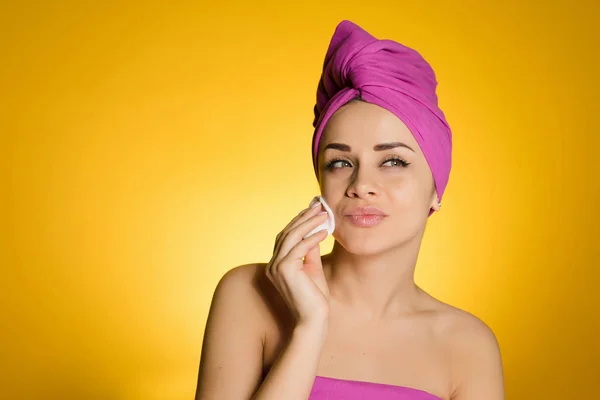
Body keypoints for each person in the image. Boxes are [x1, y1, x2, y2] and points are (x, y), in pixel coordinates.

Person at [195, 20, 504, 400]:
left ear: (435, 190)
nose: (360, 186)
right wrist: (310, 329)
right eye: (340, 163)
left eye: (393, 162)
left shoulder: (469, 347)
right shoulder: (248, 294)